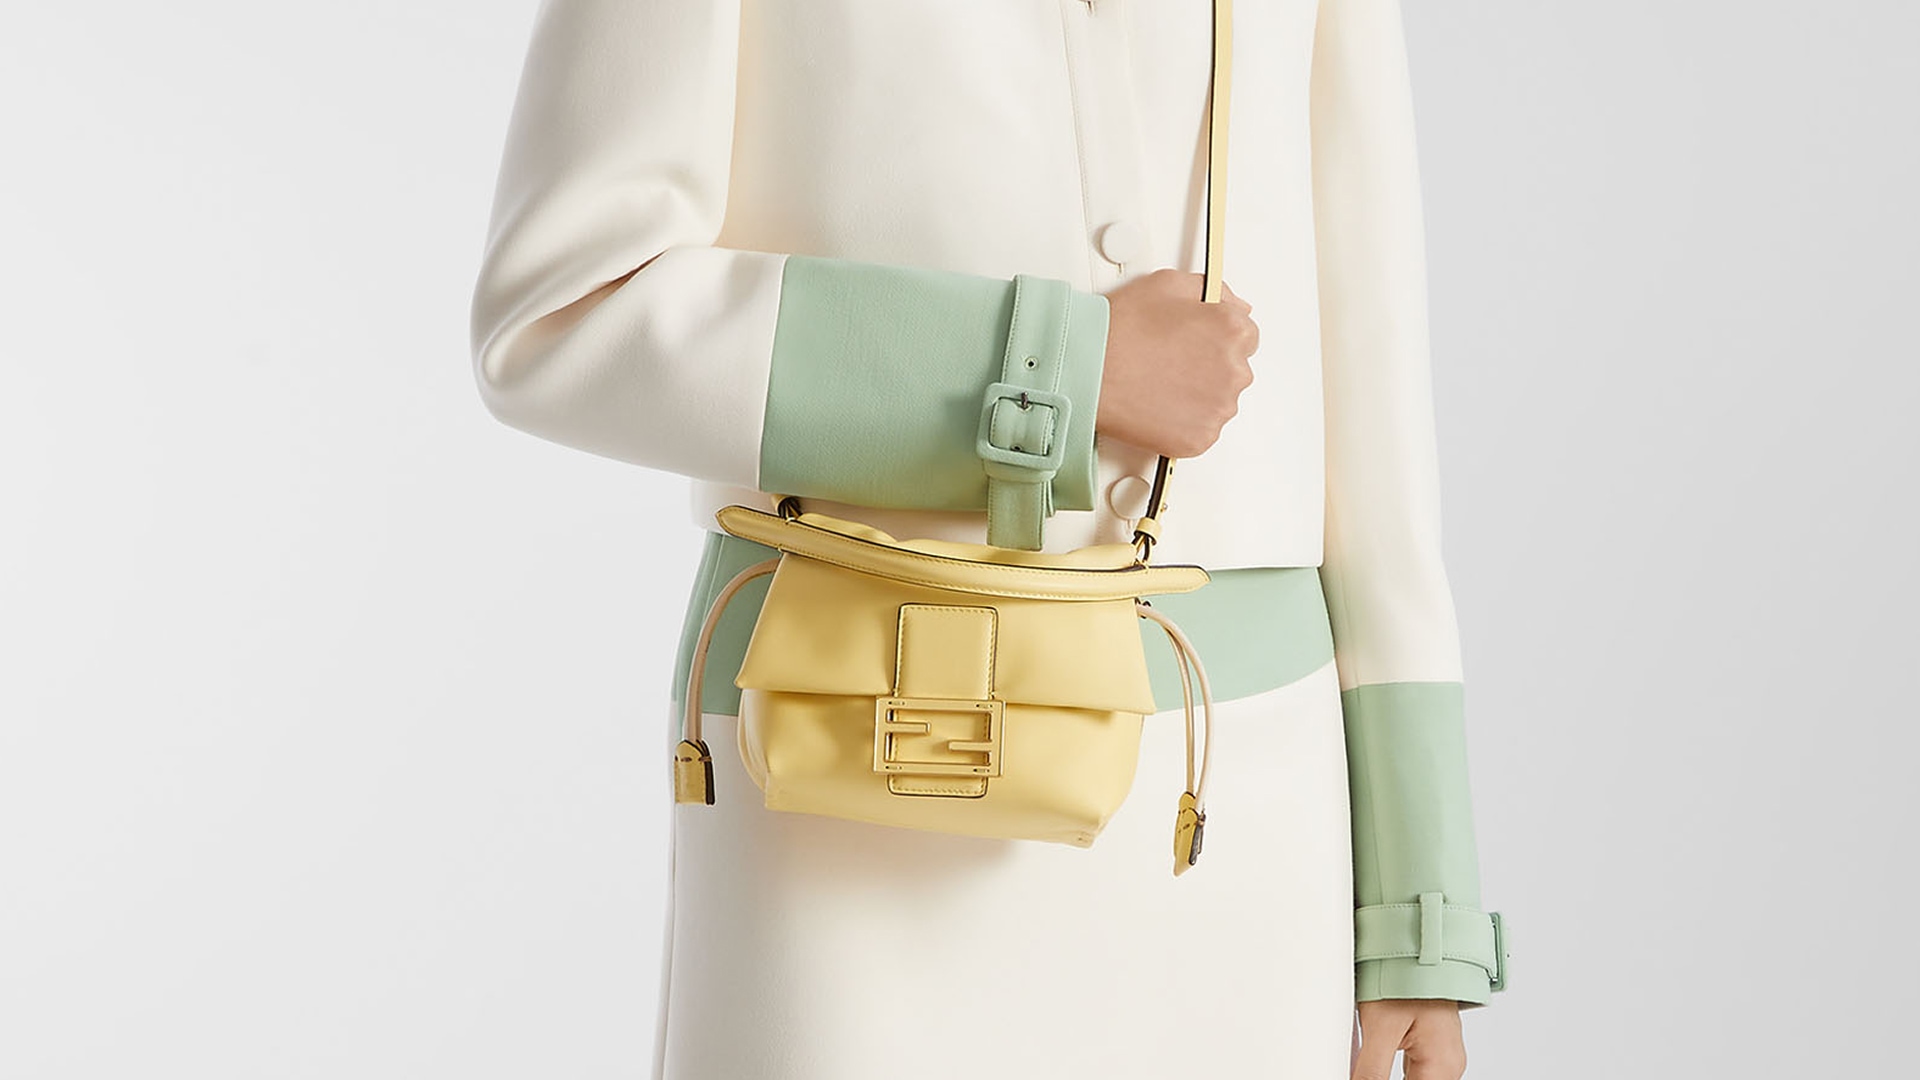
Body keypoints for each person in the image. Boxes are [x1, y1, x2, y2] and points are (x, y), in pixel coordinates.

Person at [468, 0, 1511, 1077]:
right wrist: (1059, 370)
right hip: (842, 782)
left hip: (1242, 818)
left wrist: (1417, 898)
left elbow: (1372, 399)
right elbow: (557, 313)